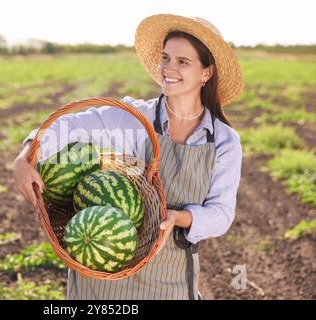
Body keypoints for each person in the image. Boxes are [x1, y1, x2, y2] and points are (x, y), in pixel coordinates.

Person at [13, 13, 243, 300]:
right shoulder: (134, 117)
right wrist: (25, 156)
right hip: (101, 284)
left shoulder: (223, 140)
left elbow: (221, 214)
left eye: (183, 61)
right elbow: (65, 127)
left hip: (169, 280)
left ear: (206, 73)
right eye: (165, 58)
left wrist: (178, 217)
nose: (169, 68)